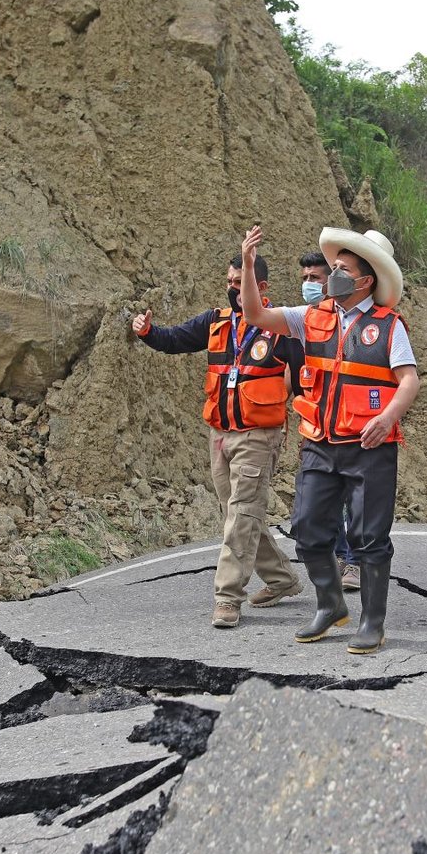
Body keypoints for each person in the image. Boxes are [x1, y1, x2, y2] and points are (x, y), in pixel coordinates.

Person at [238, 225, 420, 654]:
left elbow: (409, 381)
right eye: (332, 266)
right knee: (306, 530)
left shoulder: (388, 326)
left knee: (369, 538)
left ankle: (372, 622)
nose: (331, 274)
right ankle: (330, 604)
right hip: (320, 443)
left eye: (341, 268)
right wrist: (247, 265)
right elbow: (255, 315)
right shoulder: (311, 318)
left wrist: (387, 417)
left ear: (365, 280)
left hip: (370, 448)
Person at [132, 251, 303, 629]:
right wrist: (146, 331)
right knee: (240, 516)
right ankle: (282, 579)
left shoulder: (282, 326)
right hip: (220, 435)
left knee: (241, 515)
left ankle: (227, 598)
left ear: (261, 288)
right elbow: (174, 339)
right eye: (229, 282)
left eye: (239, 282)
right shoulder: (215, 321)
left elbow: (307, 376)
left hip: (258, 437)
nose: (232, 289)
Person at [300, 249, 361, 593]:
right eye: (305, 278)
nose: (308, 284)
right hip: (318, 427)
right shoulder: (307, 319)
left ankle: (354, 559)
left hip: (355, 427)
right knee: (319, 505)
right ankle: (340, 555)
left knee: (353, 499)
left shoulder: (365, 319)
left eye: (315, 278)